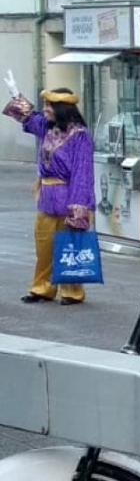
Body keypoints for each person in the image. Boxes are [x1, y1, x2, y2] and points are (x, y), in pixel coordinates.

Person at [3, 73, 96, 306]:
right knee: (44, 244)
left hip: (68, 197)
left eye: (49, 105)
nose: (45, 109)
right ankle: (42, 288)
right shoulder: (47, 127)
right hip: (46, 197)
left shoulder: (80, 137)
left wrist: (79, 207)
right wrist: (15, 94)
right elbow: (29, 118)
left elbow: (82, 173)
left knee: (69, 245)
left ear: (62, 109)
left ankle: (72, 292)